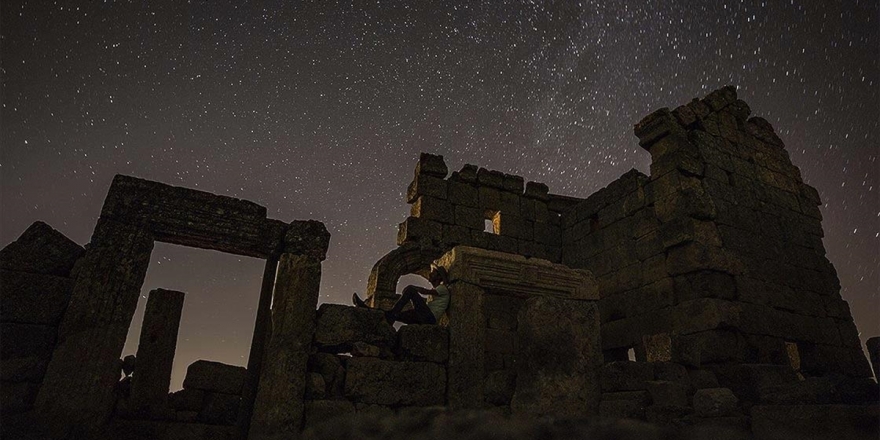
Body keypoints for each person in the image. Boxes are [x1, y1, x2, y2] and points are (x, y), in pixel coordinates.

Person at [353, 264, 449, 325]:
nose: (430, 274)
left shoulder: (442, 288)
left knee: (411, 290)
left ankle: (392, 314)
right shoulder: (437, 291)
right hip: (426, 317)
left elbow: (424, 291)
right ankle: (368, 310)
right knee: (393, 315)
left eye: (434, 273)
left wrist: (412, 288)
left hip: (429, 318)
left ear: (439, 277)